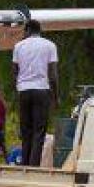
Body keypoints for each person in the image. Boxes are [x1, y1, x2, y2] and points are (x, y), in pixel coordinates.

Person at [12, 19, 58, 166]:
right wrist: (55, 96)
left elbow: (14, 71)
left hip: (24, 90)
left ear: (27, 30)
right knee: (39, 132)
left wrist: (19, 88)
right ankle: (33, 166)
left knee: (26, 131)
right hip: (41, 90)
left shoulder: (18, 46)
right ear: (39, 30)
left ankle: (24, 164)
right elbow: (53, 74)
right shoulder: (49, 45)